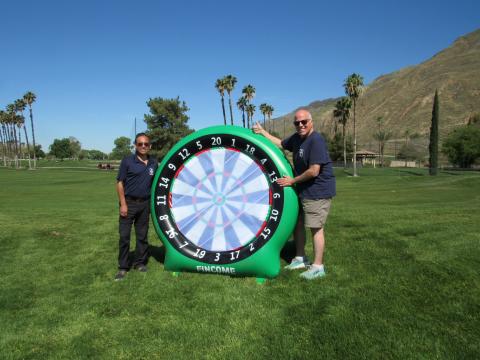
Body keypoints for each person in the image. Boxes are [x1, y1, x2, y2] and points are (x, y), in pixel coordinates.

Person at [253, 109, 335, 279]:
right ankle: (300, 257)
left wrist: (292, 181)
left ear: (311, 121)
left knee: (315, 228)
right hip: (303, 189)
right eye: (297, 123)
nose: (301, 125)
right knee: (297, 223)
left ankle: (318, 267)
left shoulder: (316, 140)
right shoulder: (297, 139)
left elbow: (314, 171)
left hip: (317, 190)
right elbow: (281, 143)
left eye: (304, 122)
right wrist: (263, 132)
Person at [115, 133, 158, 281]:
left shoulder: (154, 163)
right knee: (124, 237)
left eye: (146, 144)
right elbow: (119, 182)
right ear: (135, 146)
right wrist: (123, 204)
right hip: (129, 203)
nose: (143, 146)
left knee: (142, 236)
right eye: (140, 144)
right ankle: (123, 267)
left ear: (150, 146)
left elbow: (156, 184)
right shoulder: (128, 161)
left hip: (145, 204)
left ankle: (139, 263)